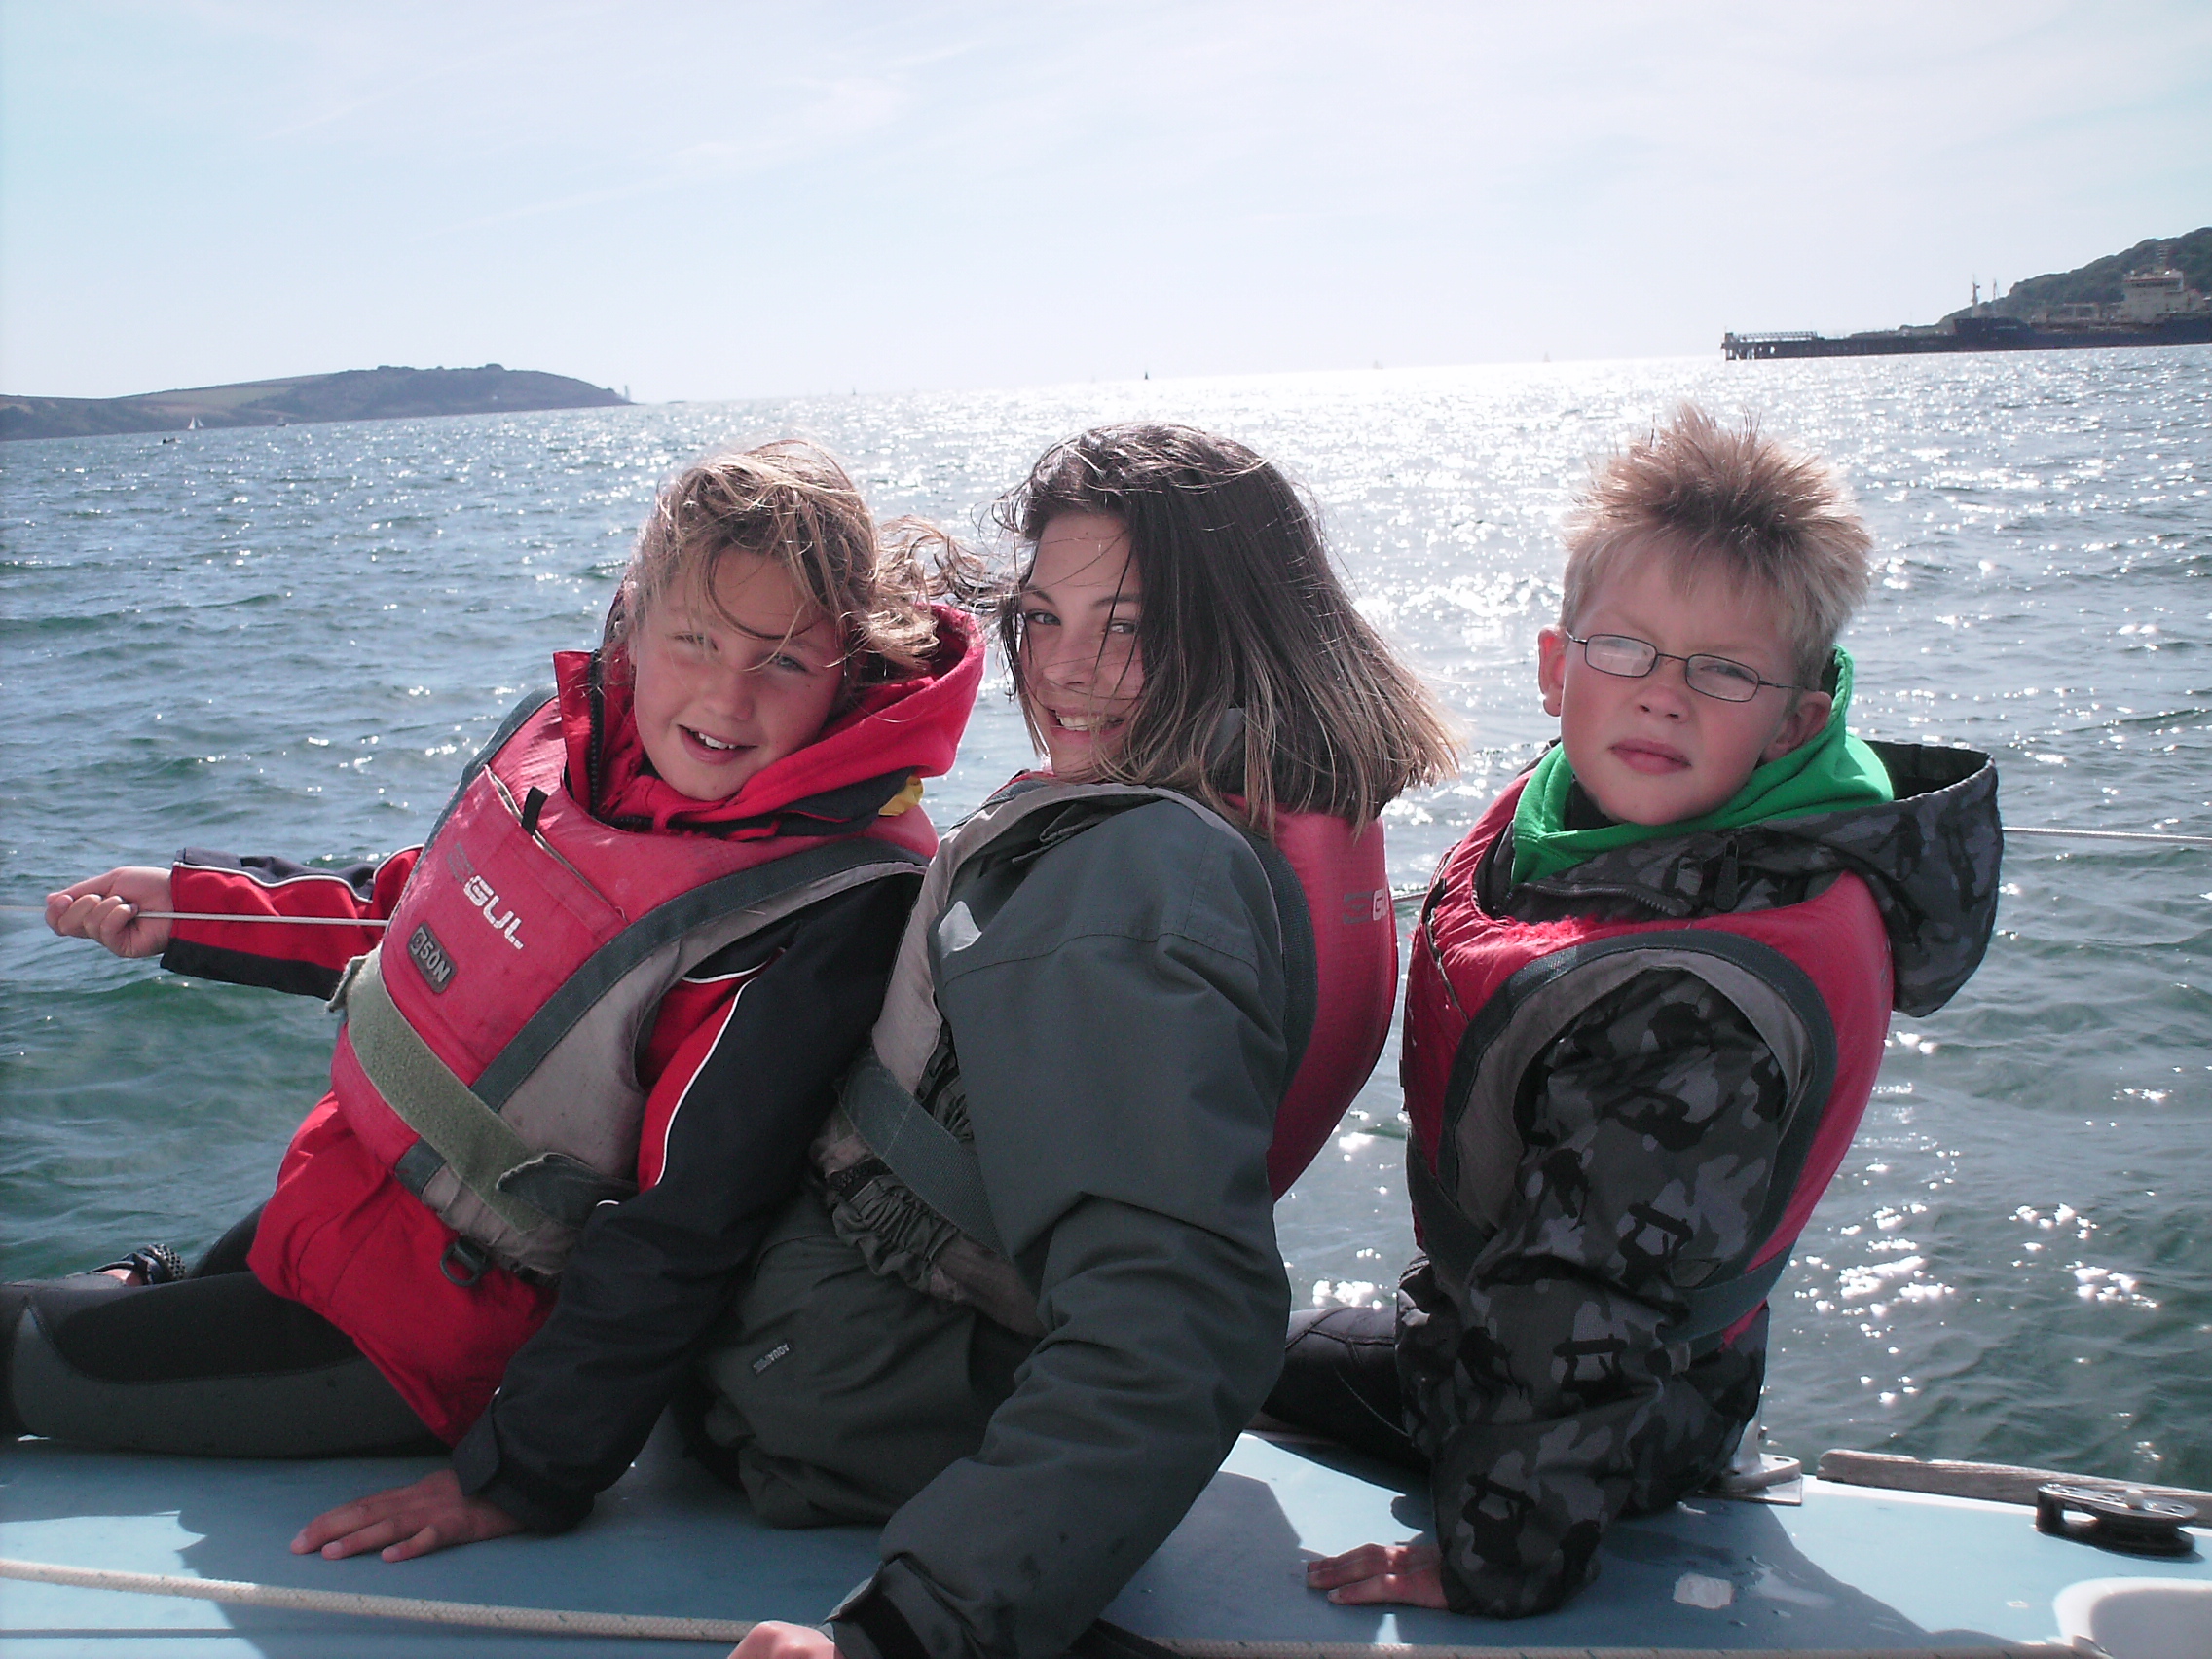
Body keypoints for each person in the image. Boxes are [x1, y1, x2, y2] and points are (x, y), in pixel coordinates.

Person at [298, 423, 1457, 1659]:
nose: (1064, 669)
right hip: (869, 1366)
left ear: (1238, 625)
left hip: (826, 1410)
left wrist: (905, 1633)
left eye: (1126, 624)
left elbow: (1169, 1325)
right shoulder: (1202, 827)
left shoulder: (1138, 882)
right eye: (1041, 616)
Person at [10, 442, 983, 1474]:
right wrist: (194, 910)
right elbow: (407, 915)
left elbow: (690, 1225)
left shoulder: (818, 908)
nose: (726, 698)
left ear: (848, 672)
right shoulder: (568, 755)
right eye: (695, 639)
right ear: (632, 624)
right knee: (138, 1302)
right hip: (332, 1202)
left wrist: (522, 1475)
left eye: (781, 660)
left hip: (426, 1343)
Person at [1281, 405, 2002, 1617]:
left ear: (1796, 721)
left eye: (1723, 670)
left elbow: (1584, 1312)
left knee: (1195, 1362)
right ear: (1557, 666)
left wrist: (1492, 1557)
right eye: (1627, 651)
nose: (1663, 697)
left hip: (1613, 1422)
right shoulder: (1584, 821)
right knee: (1220, 1329)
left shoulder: (1686, 1011)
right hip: (1525, 1342)